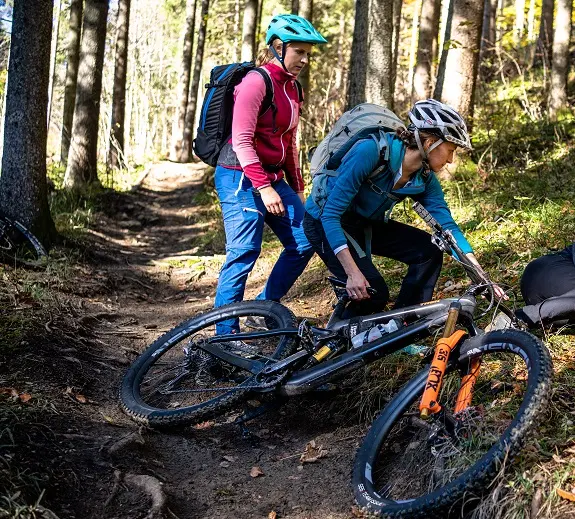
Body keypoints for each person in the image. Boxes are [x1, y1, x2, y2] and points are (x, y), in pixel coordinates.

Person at [303, 99, 504, 316]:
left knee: (429, 251)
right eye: (450, 150)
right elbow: (331, 214)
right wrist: (352, 272)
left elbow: (448, 229)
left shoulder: (424, 178)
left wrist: (483, 278)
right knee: (373, 294)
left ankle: (404, 323)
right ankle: (335, 340)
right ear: (430, 143)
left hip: (364, 223)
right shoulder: (370, 151)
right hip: (324, 221)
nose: (451, 159)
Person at [212, 15, 327, 334]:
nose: (305, 59)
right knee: (244, 251)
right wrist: (263, 188)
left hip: (273, 179)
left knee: (305, 240)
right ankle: (225, 336)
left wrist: (297, 188)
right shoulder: (255, 82)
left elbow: (288, 142)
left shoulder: (293, 89)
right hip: (239, 178)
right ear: (278, 47)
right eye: (299, 52)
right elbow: (242, 139)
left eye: (308, 53)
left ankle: (260, 309)